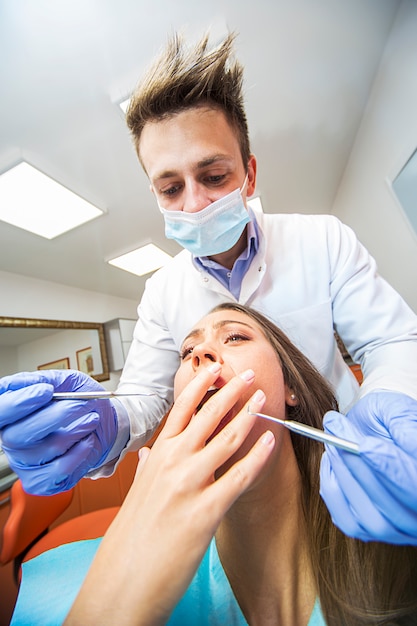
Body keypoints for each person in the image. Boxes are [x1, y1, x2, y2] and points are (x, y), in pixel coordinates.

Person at [1, 32, 417, 544]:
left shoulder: (321, 239)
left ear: (249, 174)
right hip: (244, 501)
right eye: (171, 188)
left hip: (354, 474)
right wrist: (102, 425)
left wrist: (390, 412)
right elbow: (146, 399)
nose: (194, 203)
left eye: (214, 175)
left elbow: (391, 342)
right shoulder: (162, 293)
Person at [10, 304, 417, 626]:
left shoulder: (392, 543)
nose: (199, 354)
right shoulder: (56, 588)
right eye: (187, 352)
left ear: (290, 387)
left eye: (235, 337)